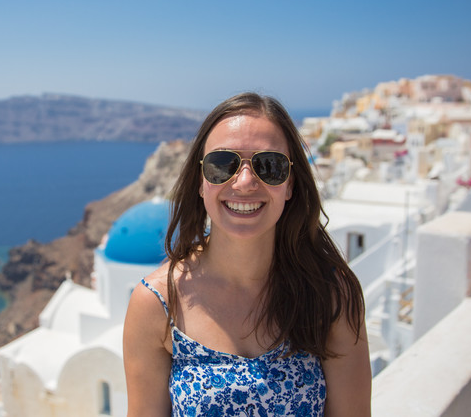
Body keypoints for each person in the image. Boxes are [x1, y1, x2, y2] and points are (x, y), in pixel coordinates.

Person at [123, 92, 371, 416]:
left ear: (290, 184)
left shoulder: (330, 297)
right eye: (222, 165)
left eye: (269, 166)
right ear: (201, 181)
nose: (243, 182)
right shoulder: (157, 304)